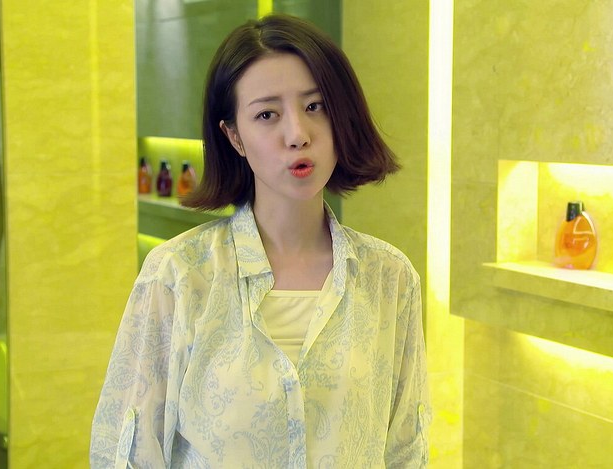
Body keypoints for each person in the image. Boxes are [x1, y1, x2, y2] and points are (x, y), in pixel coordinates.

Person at [90, 13, 430, 468]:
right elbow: (126, 455)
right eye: (267, 114)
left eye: (315, 106)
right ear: (234, 137)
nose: (298, 135)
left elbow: (406, 451)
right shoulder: (180, 275)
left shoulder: (389, 278)